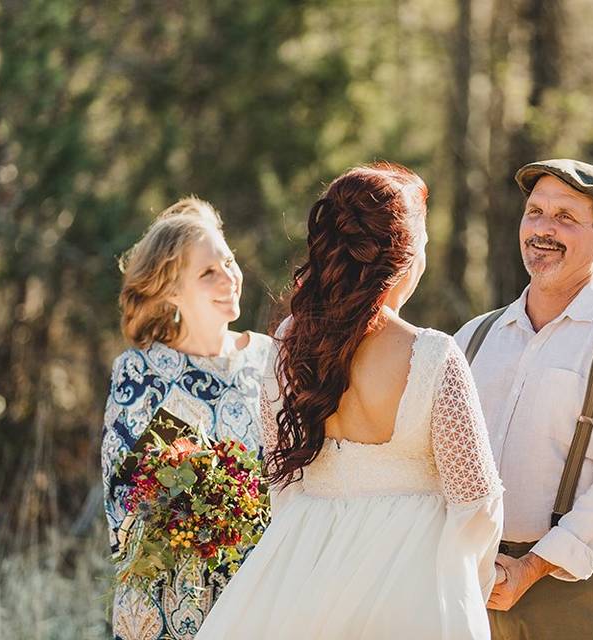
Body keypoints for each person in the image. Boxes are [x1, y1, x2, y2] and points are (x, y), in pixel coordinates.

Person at [196, 163, 503, 639]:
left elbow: (283, 479)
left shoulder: (288, 344)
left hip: (303, 570)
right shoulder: (432, 356)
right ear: (406, 257)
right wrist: (466, 589)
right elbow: (477, 501)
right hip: (411, 585)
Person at [455, 159, 593, 639]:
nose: (543, 230)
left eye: (565, 218)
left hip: (574, 586)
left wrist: (531, 567)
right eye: (535, 212)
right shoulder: (474, 337)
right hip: (471, 580)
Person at [101, 197, 272, 640]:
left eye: (229, 262)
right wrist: (205, 514)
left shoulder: (270, 359)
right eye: (207, 273)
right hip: (166, 601)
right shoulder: (140, 372)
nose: (229, 278)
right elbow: (121, 496)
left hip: (260, 596)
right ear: (171, 290)